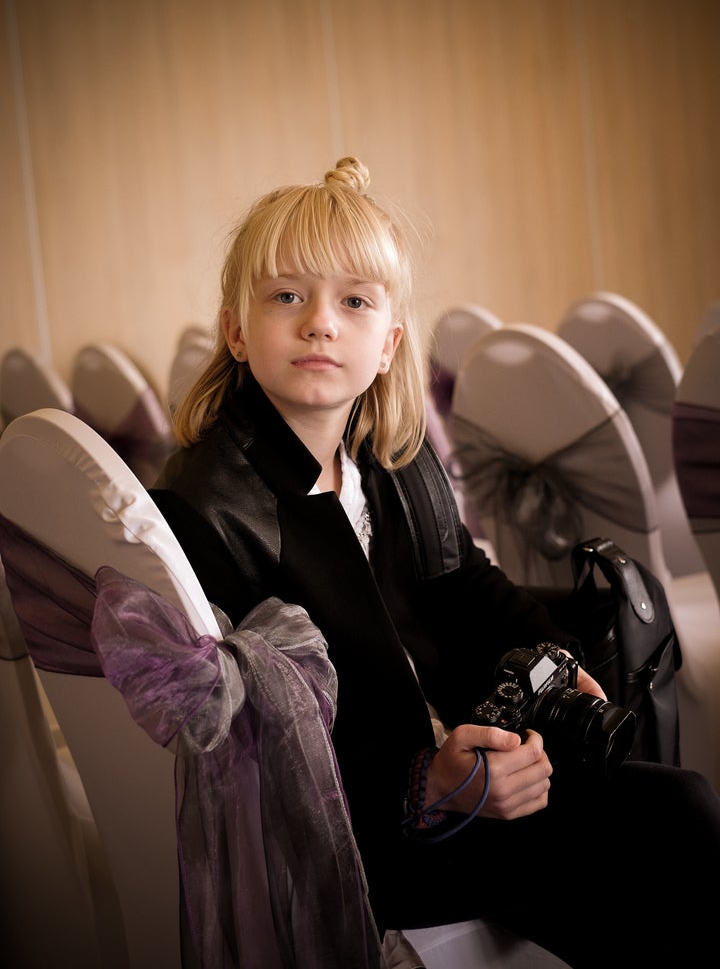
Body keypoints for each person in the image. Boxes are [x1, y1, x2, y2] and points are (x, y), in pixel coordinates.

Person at [152, 157, 720, 968]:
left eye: (353, 301)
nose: (320, 323)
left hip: (450, 772)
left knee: (665, 814)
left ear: (387, 343)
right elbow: (255, 744)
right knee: (671, 826)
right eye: (288, 297)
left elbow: (464, 583)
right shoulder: (206, 504)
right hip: (353, 836)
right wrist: (429, 787)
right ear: (237, 330)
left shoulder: (391, 456)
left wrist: (555, 656)